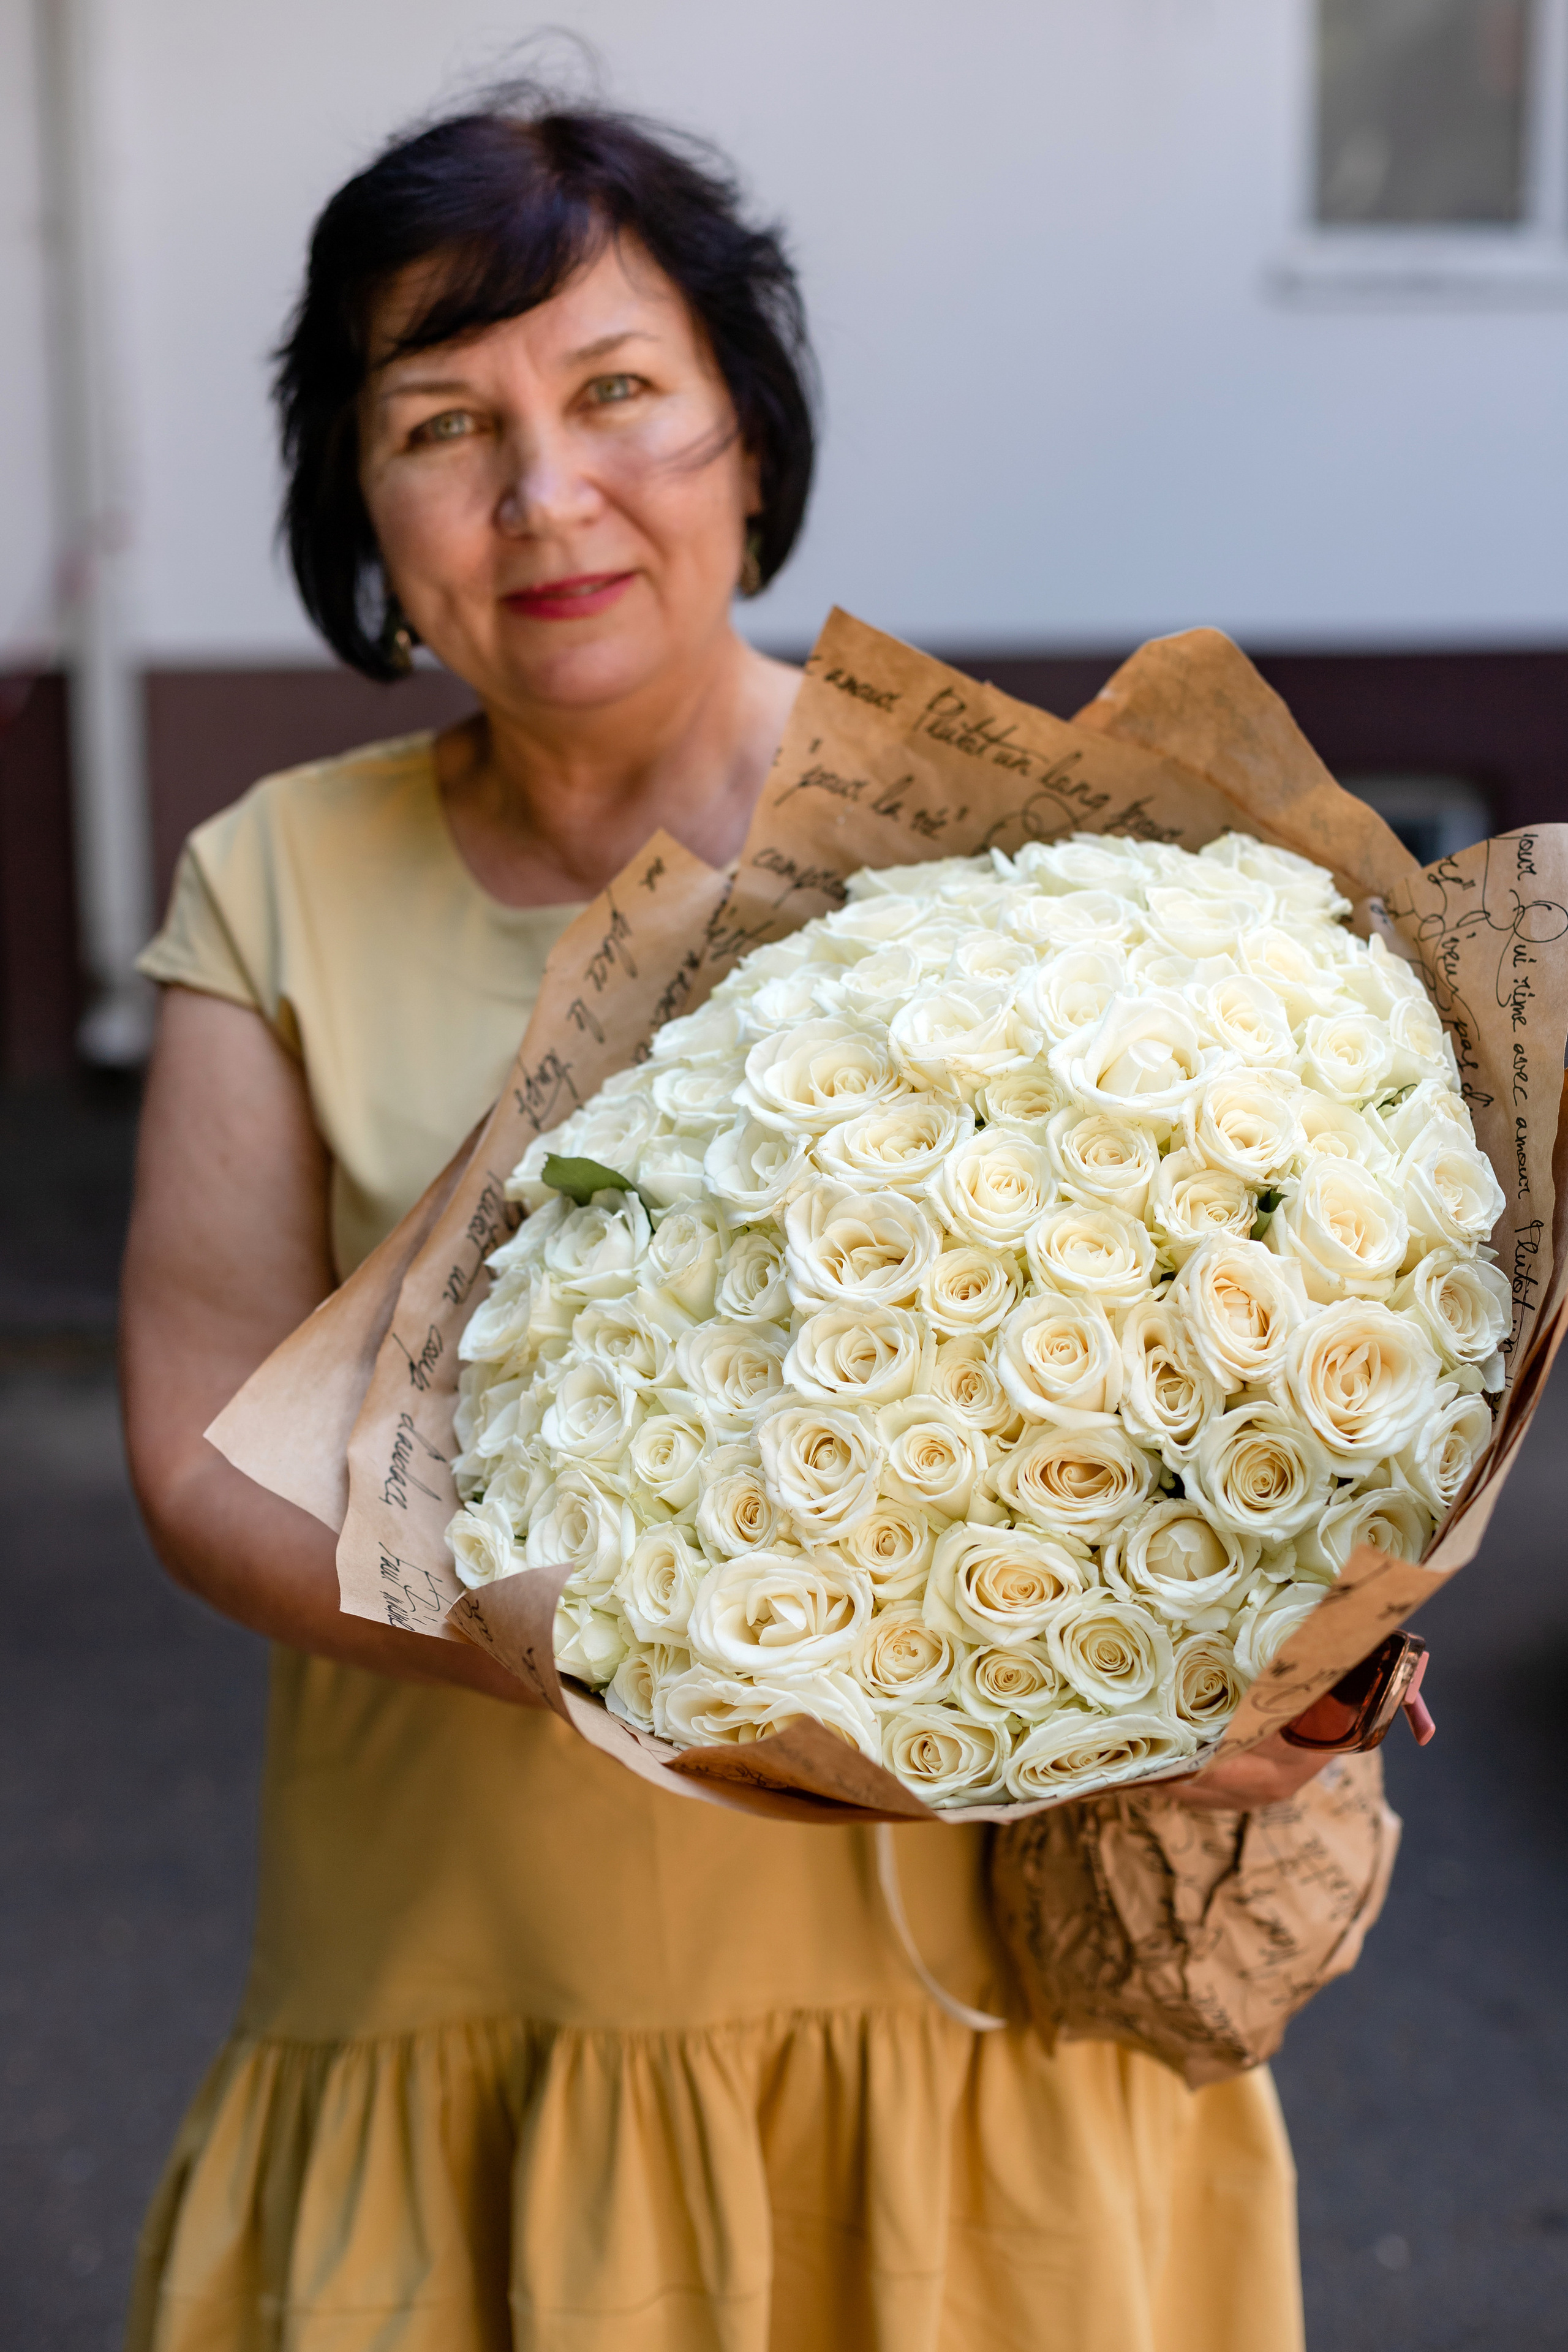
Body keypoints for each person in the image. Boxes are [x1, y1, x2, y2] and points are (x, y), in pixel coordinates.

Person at [121, 93, 1324, 2352]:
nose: (542, 494)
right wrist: (607, 1648)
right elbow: (199, 1446)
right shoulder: (272, 882)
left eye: (616, 394)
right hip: (471, 1980)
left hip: (964, 2017)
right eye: (442, 426)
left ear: (748, 442)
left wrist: (1278, 1629)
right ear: (361, 506)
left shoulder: (1004, 852)